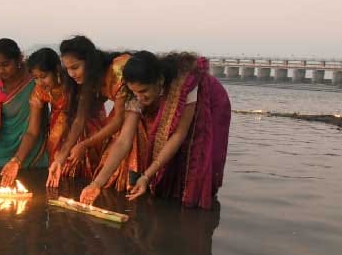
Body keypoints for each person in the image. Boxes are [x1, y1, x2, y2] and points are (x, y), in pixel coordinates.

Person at [80, 51, 231, 209]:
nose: (140, 98)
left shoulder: (184, 83)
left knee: (196, 156)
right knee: (161, 144)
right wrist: (96, 183)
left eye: (144, 91)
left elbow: (179, 134)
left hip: (209, 104)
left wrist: (146, 176)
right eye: (135, 92)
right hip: (164, 100)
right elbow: (123, 141)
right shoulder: (135, 93)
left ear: (159, 81)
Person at [46, 36, 135, 189]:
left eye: (75, 67)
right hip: (124, 116)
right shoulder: (88, 79)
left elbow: (119, 120)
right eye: (67, 69)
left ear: (90, 62)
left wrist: (85, 144)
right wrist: (59, 160)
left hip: (137, 114)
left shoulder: (117, 70)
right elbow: (79, 120)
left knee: (122, 169)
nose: (71, 74)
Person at [0, 38, 48, 178]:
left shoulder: (35, 78)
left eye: (5, 64)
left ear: (19, 59)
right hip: (4, 149)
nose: (0, 70)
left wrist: (18, 160)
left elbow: (33, 129)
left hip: (35, 146)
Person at [0, 48, 68, 187]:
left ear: (56, 70)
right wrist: (16, 161)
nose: (40, 82)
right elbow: (32, 132)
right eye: (35, 78)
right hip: (58, 133)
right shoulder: (38, 91)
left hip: (83, 130)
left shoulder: (72, 85)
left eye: (43, 76)